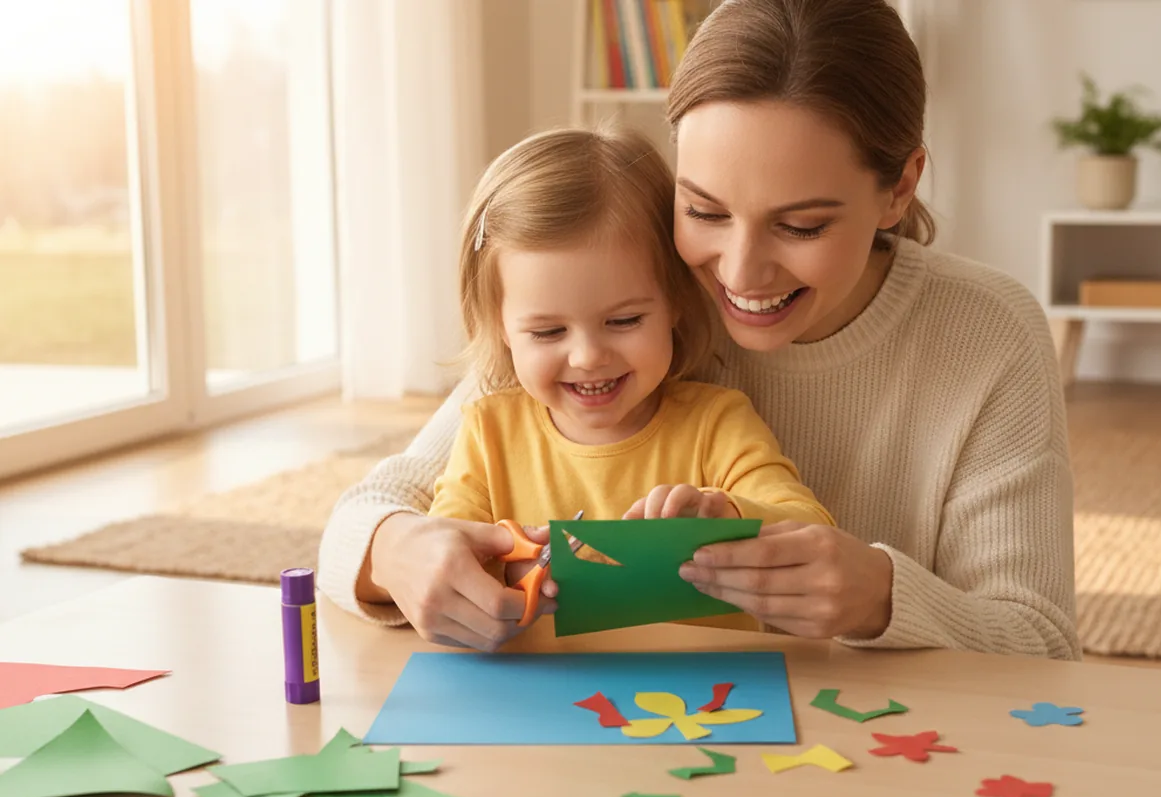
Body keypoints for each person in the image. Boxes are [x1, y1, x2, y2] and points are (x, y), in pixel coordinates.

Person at [317, 0, 1080, 660]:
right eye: (705, 211)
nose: (740, 275)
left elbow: (1040, 642)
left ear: (900, 187)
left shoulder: (985, 333)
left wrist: (881, 597)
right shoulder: (624, 290)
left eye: (802, 224)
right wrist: (398, 550)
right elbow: (362, 517)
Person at [429, 126, 835, 555]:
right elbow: (439, 558)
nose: (588, 357)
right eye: (548, 332)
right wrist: (499, 570)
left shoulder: (717, 425)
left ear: (675, 301)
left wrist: (728, 515)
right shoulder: (488, 433)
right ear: (501, 329)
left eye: (624, 320)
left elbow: (816, 533)